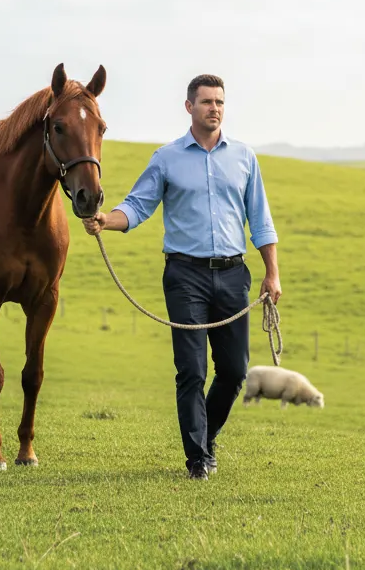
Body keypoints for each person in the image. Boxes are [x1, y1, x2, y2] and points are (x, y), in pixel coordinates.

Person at [81, 74, 281, 480]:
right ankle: (197, 459)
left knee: (235, 371)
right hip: (185, 276)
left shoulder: (244, 157)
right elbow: (137, 206)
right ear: (189, 107)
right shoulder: (167, 158)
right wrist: (105, 220)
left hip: (233, 274)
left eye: (219, 102)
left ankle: (206, 438)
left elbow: (260, 219)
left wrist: (272, 273)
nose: (214, 108)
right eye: (206, 101)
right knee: (191, 370)